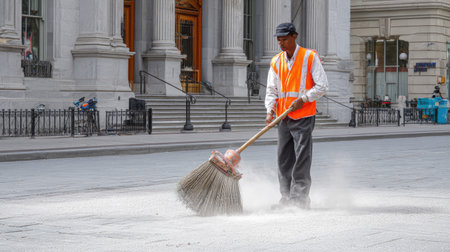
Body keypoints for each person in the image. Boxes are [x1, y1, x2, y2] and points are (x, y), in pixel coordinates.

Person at [265, 23, 328, 209]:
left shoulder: (309, 57)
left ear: (294, 36)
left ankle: (299, 200)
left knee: (301, 158)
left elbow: (322, 86)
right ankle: (286, 199)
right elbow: (271, 90)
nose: (281, 43)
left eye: (284, 39)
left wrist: (304, 98)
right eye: (278, 40)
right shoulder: (276, 61)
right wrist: (269, 110)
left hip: (303, 116)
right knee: (283, 159)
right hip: (283, 117)